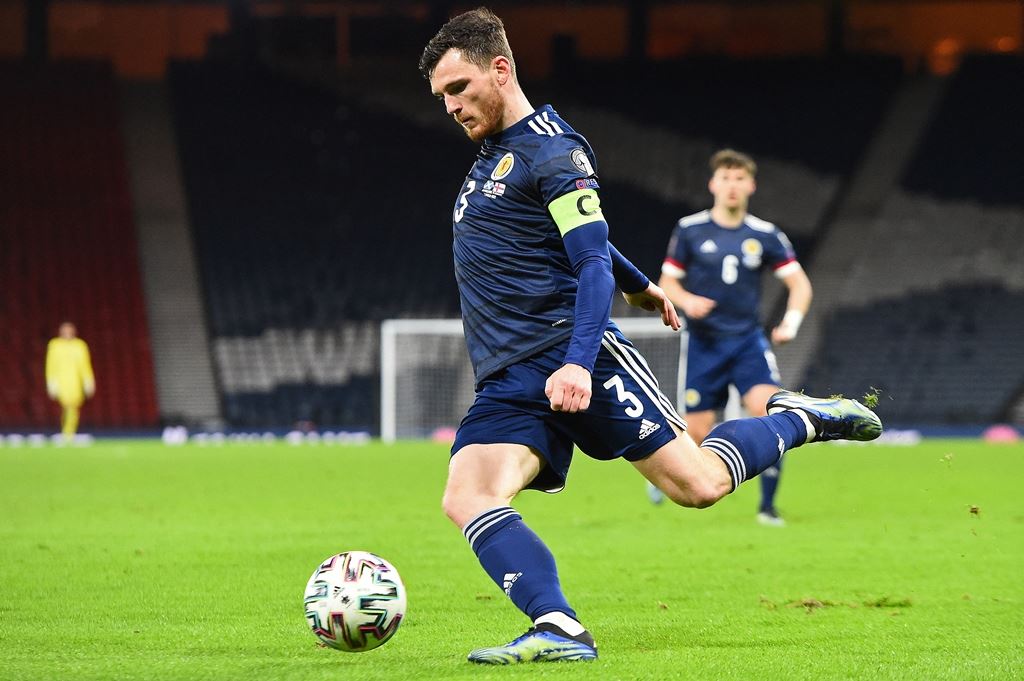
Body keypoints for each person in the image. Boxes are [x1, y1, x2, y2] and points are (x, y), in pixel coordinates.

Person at [420, 8, 879, 665]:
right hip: (509, 375)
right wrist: (640, 282)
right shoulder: (495, 153)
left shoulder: (554, 151)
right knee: (467, 495)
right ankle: (559, 626)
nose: (450, 106)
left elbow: (589, 260)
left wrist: (578, 361)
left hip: (574, 354)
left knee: (698, 486)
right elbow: (571, 234)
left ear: (500, 69)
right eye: (442, 96)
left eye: (458, 88)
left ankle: (799, 418)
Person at [649, 150, 813, 526]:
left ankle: (767, 507)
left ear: (751, 185)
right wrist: (687, 301)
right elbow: (667, 282)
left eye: (740, 178)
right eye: (725, 178)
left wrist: (790, 323)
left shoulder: (765, 234)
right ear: (713, 184)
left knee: (771, 413)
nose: (732, 185)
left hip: (747, 343)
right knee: (695, 433)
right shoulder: (690, 229)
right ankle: (665, 475)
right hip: (704, 345)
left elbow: (799, 284)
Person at [45, 321, 95, 440]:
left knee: (73, 406)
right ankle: (67, 431)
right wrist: (51, 381)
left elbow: (85, 365)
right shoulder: (55, 345)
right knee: (66, 405)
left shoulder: (80, 345)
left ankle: (69, 432)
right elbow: (50, 364)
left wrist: (88, 381)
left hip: (75, 381)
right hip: (61, 380)